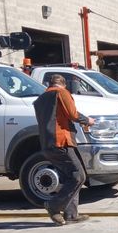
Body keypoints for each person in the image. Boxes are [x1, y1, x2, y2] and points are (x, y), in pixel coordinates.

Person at [33, 74, 95, 225]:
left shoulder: (40, 100)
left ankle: (71, 214)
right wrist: (88, 120)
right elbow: (72, 114)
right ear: (64, 84)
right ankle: (53, 206)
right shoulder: (61, 93)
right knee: (78, 176)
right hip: (61, 141)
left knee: (70, 178)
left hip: (47, 144)